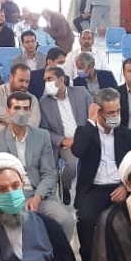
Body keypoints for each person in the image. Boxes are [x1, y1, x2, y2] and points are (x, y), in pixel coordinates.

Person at [0, 91, 76, 237]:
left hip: (39, 194)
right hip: (10, 195)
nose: (21, 113)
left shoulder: (42, 136)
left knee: (66, 220)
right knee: (18, 227)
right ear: (8, 111)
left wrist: (38, 197)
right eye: (17, 108)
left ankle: (57, 252)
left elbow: (49, 173)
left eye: (26, 109)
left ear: (30, 111)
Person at [72, 88, 131, 261]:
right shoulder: (85, 131)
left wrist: (125, 187)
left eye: (118, 111)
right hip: (93, 188)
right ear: (99, 112)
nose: (116, 116)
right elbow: (77, 151)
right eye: (111, 112)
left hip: (119, 187)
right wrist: (90, 122)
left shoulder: (126, 134)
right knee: (86, 220)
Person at [39, 66, 93, 205]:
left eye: (50, 79)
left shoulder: (81, 92)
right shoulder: (44, 103)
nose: (47, 83)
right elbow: (44, 130)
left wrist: (83, 137)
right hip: (65, 143)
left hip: (86, 137)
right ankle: (65, 186)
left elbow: (93, 116)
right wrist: (62, 140)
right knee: (72, 165)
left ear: (61, 79)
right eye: (45, 80)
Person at [0, 63, 41, 134]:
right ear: (11, 78)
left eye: (27, 81)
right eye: (21, 80)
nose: (24, 85)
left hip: (22, 136)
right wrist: (22, 121)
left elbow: (34, 123)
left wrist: (3, 120)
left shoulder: (33, 99)